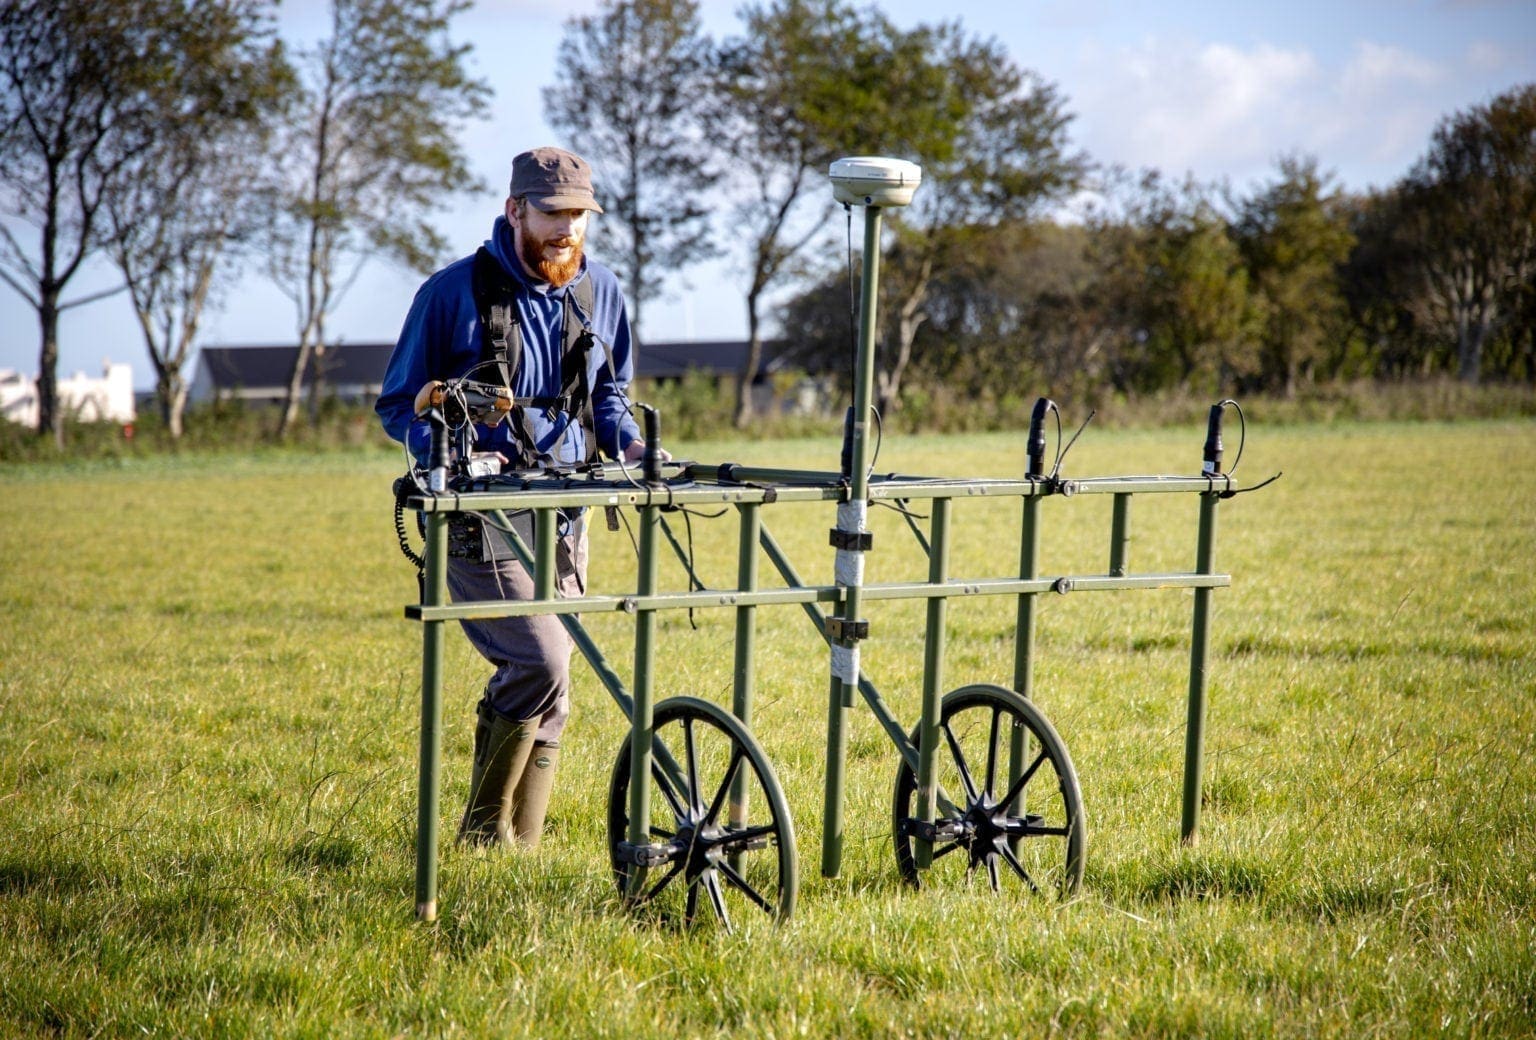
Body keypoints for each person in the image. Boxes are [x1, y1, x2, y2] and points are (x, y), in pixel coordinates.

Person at [376, 146, 660, 849]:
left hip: (567, 512)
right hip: (479, 517)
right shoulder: (450, 293)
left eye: (580, 216)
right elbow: (395, 405)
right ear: (515, 211)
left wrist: (631, 448)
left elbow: (611, 395)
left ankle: (513, 848)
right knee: (540, 660)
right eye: (554, 213)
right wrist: (449, 448)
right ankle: (482, 833)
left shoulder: (601, 290)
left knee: (557, 686)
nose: (568, 229)